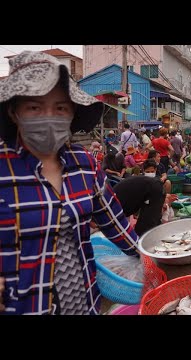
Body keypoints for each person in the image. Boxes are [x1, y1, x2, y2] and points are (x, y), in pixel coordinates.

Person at [0, 50, 138, 315]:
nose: (48, 116)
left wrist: (150, 257)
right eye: (34, 107)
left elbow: (115, 222)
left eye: (60, 107)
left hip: (83, 301)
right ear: (13, 111)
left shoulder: (84, 163)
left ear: (72, 113)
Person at [113, 170, 167, 237]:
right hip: (148, 188)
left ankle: (143, 244)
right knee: (150, 222)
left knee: (145, 228)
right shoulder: (113, 203)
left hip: (154, 189)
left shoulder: (111, 208)